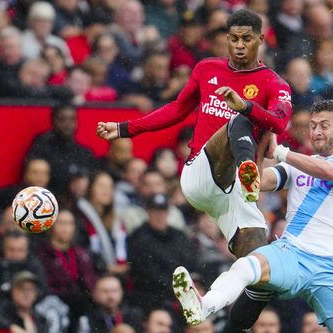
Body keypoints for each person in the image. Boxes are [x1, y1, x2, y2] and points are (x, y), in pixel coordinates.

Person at [97, 9, 292, 331]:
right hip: (201, 174)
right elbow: (177, 109)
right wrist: (125, 128)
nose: (239, 46)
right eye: (233, 39)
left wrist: (246, 106)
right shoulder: (207, 69)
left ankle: (206, 307)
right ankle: (248, 170)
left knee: (258, 269)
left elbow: (281, 121)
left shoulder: (273, 83)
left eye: (246, 39)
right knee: (238, 121)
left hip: (232, 196)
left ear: (260, 40)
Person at [173, 100, 333, 332]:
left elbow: (332, 172)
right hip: (294, 253)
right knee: (246, 266)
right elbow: (255, 181)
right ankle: (204, 306)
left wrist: (281, 152)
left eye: (324, 125)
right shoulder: (295, 167)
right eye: (312, 126)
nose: (317, 132)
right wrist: (261, 143)